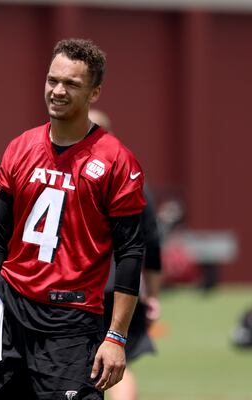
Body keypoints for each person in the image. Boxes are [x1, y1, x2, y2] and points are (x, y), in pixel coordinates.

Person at [0, 38, 147, 399]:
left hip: (70, 323)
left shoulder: (116, 161)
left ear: (95, 92)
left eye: (71, 84)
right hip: (10, 312)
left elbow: (131, 252)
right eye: (53, 80)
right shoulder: (21, 147)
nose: (58, 91)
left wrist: (116, 336)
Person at [89, 108, 162, 400]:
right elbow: (152, 243)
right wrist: (153, 294)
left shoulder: (65, 174)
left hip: (77, 287)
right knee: (119, 362)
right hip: (123, 286)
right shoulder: (133, 176)